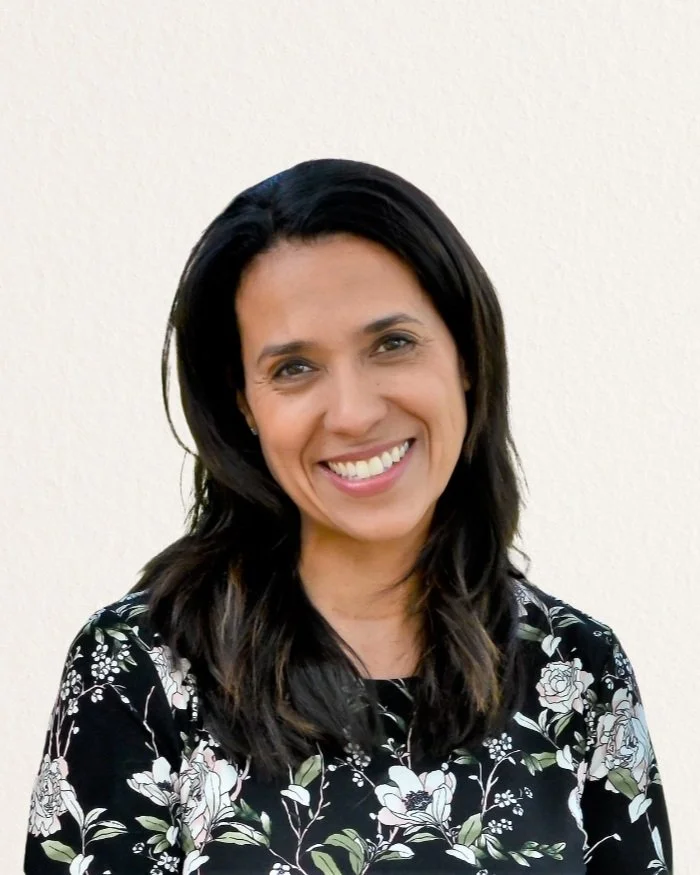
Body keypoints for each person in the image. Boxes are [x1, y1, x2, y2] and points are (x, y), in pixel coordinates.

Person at [24, 158, 673, 875]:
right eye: (294, 368)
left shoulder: (577, 671)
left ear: (465, 354)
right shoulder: (137, 671)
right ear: (244, 403)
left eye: (392, 344)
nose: (356, 411)